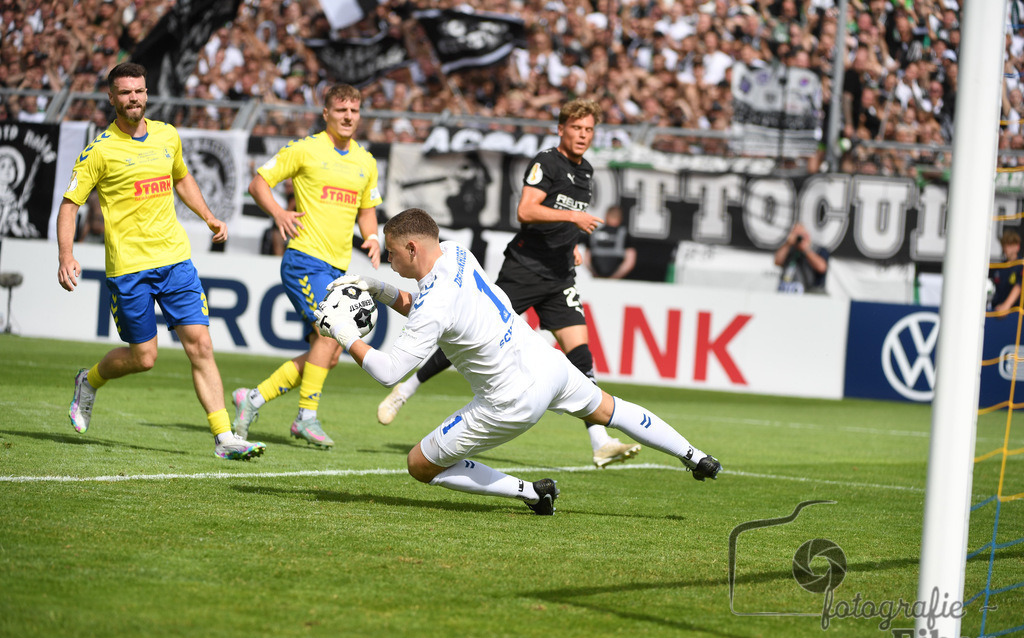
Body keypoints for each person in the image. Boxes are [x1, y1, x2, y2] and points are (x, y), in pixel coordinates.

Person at [317, 209, 721, 515]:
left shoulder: (434, 302)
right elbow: (425, 305)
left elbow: (388, 371)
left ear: (412, 248)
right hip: (548, 363)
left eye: (391, 255)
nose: (390, 262)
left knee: (419, 464)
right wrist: (376, 287)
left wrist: (345, 334)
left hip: (509, 399)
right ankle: (695, 456)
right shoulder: (456, 253)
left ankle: (530, 492)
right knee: (609, 408)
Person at [376, 100, 641, 470]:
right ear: (561, 128)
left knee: (580, 354)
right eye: (577, 128)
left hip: (560, 273)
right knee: (465, 324)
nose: (583, 136)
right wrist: (572, 217)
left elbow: (562, 223)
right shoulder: (545, 163)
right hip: (525, 270)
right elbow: (527, 210)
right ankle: (405, 389)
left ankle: (600, 442)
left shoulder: (586, 172)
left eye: (589, 130)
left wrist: (572, 243)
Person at [56, 62, 266, 461]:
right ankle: (90, 379)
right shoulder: (99, 150)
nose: (133, 98)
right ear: (111, 97)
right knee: (144, 358)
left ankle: (224, 438)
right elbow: (69, 207)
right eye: (125, 92)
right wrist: (66, 255)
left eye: (139, 90)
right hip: (130, 270)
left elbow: (182, 177)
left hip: (176, 261)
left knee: (201, 345)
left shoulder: (168, 136)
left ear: (146, 93)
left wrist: (208, 216)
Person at [231, 83, 382, 448]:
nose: (348, 117)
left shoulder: (365, 162)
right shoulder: (305, 150)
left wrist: (373, 237)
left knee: (326, 353)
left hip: (337, 270)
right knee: (331, 336)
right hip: (304, 260)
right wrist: (279, 212)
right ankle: (306, 417)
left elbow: (367, 209)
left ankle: (253, 398)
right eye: (341, 110)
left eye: (354, 111)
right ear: (326, 113)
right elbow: (258, 183)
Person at [582, 205, 637, 279]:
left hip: (597, 279)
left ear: (606, 216)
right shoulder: (624, 234)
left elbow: (586, 259)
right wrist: (614, 277)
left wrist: (595, 274)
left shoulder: (593, 232)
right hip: (617, 281)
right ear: (620, 218)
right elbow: (630, 261)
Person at [774, 222, 829, 294]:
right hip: (788, 292)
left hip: (811, 293)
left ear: (807, 235)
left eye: (801, 235)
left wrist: (805, 250)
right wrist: (788, 243)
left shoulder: (818, 249)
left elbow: (822, 267)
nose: (798, 238)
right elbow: (777, 261)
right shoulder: (789, 249)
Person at [990, 229, 1023, 312]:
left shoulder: (1021, 266)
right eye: (1005, 244)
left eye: (1010, 244)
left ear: (1017, 246)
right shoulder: (999, 267)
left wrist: (1006, 305)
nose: (1007, 248)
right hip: (996, 312)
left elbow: (1019, 286)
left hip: (1016, 315)